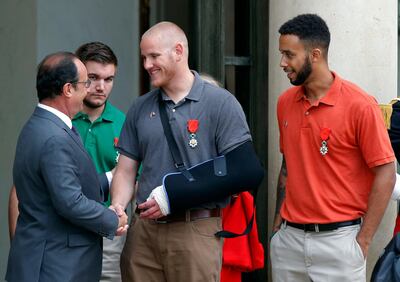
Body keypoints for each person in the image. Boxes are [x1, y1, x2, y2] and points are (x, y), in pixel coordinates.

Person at [110, 21, 262, 281]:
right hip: (143, 232)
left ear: (178, 51)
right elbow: (125, 170)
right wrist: (118, 205)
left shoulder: (221, 103)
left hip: (196, 228)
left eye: (154, 56)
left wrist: (175, 195)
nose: (147, 65)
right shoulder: (139, 107)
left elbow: (245, 171)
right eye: (144, 57)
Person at [270, 14, 396, 282]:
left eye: (289, 55)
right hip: (289, 242)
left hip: (339, 244)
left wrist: (363, 239)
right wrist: (276, 226)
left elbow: (385, 171)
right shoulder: (284, 103)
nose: (282, 63)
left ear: (314, 54)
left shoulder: (360, 105)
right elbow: (288, 164)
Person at [5, 52, 128, 282]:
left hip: (48, 259)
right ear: (68, 89)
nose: (89, 89)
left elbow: (64, 185)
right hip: (55, 264)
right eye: (85, 83)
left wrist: (113, 177)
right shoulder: (54, 136)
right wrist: (113, 220)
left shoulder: (40, 125)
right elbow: (70, 202)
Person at [74, 41, 126, 282]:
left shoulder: (124, 123)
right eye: (93, 77)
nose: (100, 87)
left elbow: (133, 178)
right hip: (65, 226)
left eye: (109, 79)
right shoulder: (62, 119)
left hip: (108, 230)